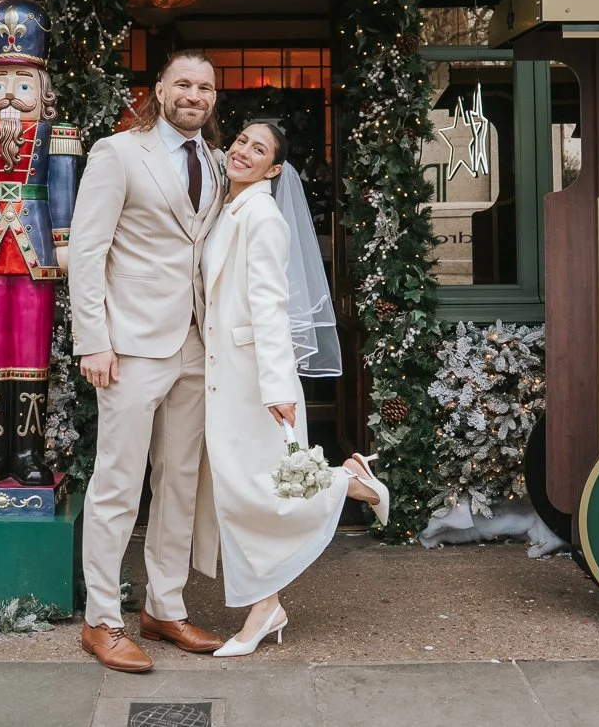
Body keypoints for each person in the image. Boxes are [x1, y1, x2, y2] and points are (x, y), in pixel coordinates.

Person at [200, 120, 389, 657]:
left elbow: (270, 306)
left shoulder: (263, 216)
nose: (242, 151)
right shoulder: (232, 206)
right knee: (245, 491)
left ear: (275, 168)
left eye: (258, 149)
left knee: (256, 491)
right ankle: (266, 606)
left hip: (253, 380)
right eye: (240, 141)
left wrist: (279, 385)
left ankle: (349, 486)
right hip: (227, 376)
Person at [68, 50, 228, 673]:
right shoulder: (118, 153)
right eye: (183, 83)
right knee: (117, 483)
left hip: (196, 344)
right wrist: (93, 341)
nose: (194, 94)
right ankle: (102, 620)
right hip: (130, 345)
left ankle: (164, 606)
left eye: (205, 87)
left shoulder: (216, 163)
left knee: (180, 482)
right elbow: (88, 250)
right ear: (159, 89)